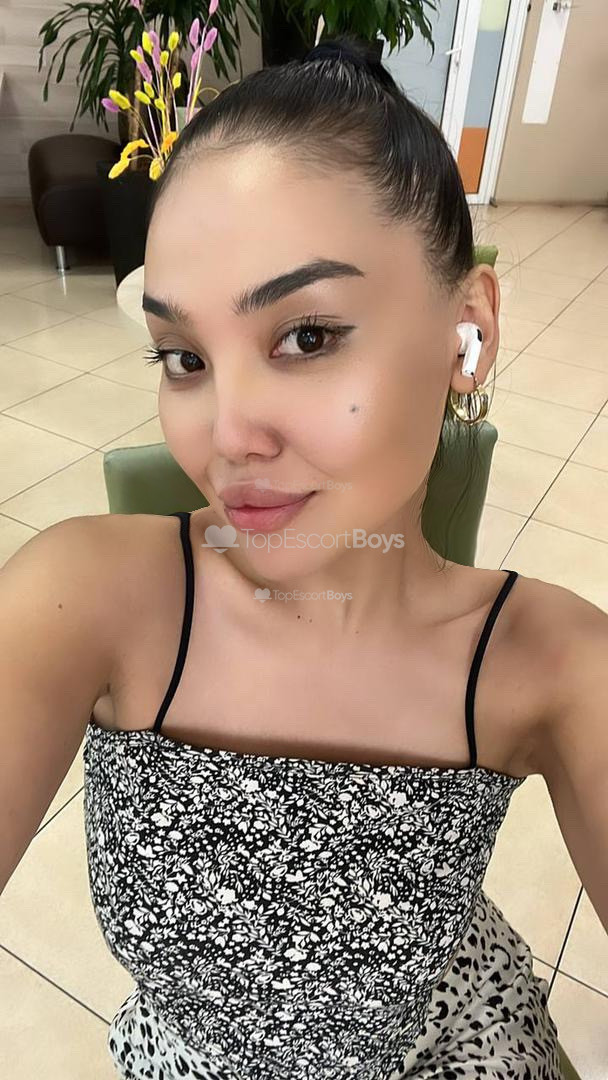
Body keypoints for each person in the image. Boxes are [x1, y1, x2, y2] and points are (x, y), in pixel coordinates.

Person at [1, 32, 606, 1080]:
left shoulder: (552, 665)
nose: (226, 435)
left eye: (307, 338)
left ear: (466, 330)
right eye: (183, 357)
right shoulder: (85, 599)